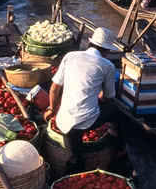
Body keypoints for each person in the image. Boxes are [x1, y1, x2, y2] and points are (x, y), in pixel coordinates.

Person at [45, 27, 121, 172]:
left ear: (90, 43)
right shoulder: (107, 66)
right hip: (87, 121)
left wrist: (51, 110)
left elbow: (55, 88)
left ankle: (73, 162)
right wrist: (100, 97)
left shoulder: (70, 56)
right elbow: (109, 97)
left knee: (73, 151)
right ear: (107, 51)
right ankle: (120, 148)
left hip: (63, 120)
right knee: (115, 110)